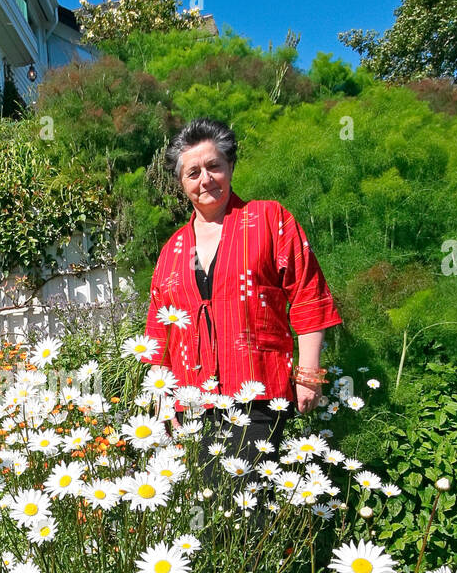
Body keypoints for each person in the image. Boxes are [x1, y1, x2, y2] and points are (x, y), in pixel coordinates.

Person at [144, 117, 342, 453]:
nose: (205, 179)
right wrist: (161, 398)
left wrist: (309, 374)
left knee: (244, 497)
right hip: (190, 402)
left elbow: (309, 294)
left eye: (214, 166)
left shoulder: (269, 220)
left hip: (257, 394)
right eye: (193, 173)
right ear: (181, 182)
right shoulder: (171, 250)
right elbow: (158, 334)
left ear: (230, 166)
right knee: (208, 502)